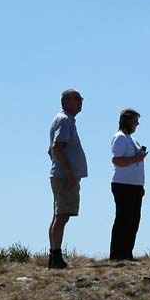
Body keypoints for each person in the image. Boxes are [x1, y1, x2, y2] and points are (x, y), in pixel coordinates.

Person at [47, 89, 88, 269]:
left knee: (60, 215)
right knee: (61, 216)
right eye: (77, 99)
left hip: (62, 175)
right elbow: (57, 148)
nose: (81, 102)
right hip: (64, 177)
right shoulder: (64, 121)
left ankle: (54, 257)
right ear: (66, 102)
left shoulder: (65, 120)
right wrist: (69, 172)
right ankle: (55, 258)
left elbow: (52, 150)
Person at [110, 108, 147, 261]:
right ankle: (117, 254)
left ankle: (127, 253)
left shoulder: (131, 139)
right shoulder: (119, 138)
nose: (137, 124)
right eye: (135, 120)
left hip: (135, 186)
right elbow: (116, 160)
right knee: (123, 220)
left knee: (133, 220)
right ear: (127, 120)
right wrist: (136, 159)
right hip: (123, 185)